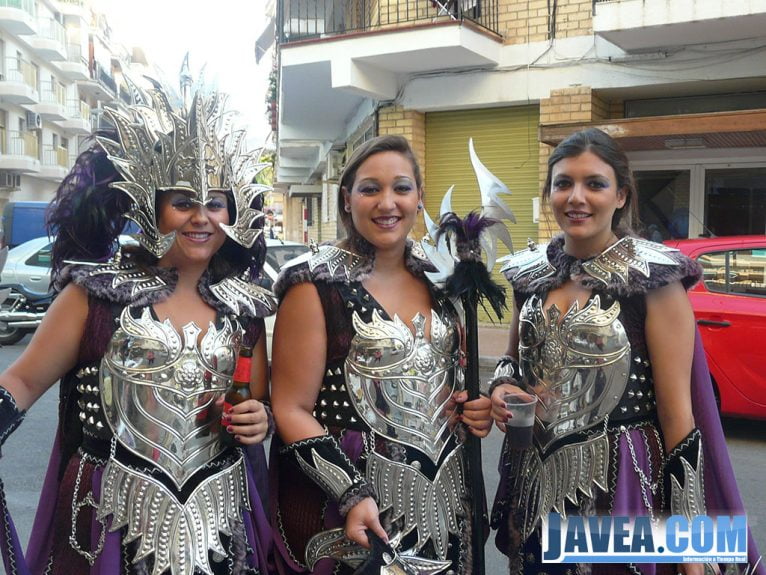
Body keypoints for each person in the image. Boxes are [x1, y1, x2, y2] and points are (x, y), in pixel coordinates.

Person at [0, 82, 275, 574]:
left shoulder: (245, 308)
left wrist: (259, 420)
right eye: (184, 201)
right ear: (151, 206)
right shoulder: (95, 294)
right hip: (107, 514)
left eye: (215, 202)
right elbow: (20, 381)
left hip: (218, 518)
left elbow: (253, 408)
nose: (201, 217)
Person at [488, 128, 763, 575]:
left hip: (622, 485)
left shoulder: (651, 281)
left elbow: (679, 417)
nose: (577, 197)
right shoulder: (530, 274)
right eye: (564, 183)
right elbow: (513, 360)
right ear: (549, 194)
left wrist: (690, 543)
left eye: (594, 183)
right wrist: (502, 384)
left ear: (621, 196)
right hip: (535, 480)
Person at [270, 135, 492, 574]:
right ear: (346, 199)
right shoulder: (314, 285)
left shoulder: (444, 282)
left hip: (445, 497)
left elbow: (450, 384)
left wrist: (476, 410)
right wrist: (351, 493)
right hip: (347, 502)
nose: (387, 203)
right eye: (371, 189)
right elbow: (290, 407)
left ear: (419, 198)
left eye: (401, 188)